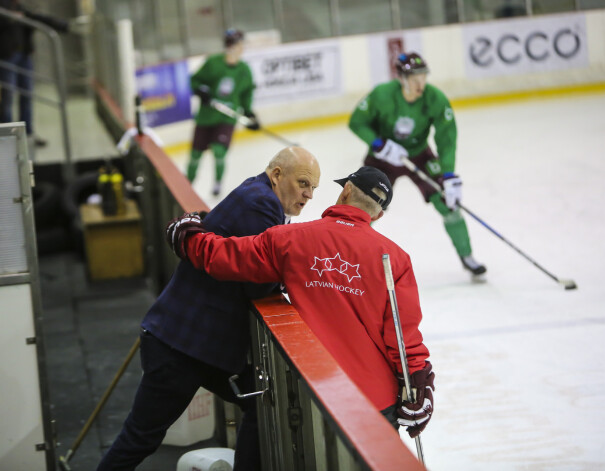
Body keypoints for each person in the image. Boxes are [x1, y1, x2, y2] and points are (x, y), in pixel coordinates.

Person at [96, 146, 320, 471]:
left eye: (313, 187)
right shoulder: (262, 205)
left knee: (260, 402)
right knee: (140, 438)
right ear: (277, 175)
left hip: (201, 347)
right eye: (303, 183)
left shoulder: (257, 192)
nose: (308, 194)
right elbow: (257, 282)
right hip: (180, 347)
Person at [169, 166, 435, 438]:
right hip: (376, 399)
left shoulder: (289, 240)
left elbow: (225, 257)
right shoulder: (395, 259)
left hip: (314, 393)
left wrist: (188, 236)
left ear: (345, 192)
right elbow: (403, 338)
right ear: (378, 214)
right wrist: (419, 380)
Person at [348, 51, 487, 276]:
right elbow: (357, 121)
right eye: (414, 78)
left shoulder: (435, 99)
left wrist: (449, 174)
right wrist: (378, 144)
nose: (420, 83)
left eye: (423, 76)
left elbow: (446, 137)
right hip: (383, 156)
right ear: (402, 78)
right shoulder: (382, 94)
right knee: (364, 204)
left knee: (448, 203)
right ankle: (348, 258)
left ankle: (467, 255)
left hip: (419, 155)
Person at [0, 0, 76, 147]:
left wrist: (59, 24)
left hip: (23, 53)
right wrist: (9, 19)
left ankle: (28, 134)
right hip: (4, 54)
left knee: (27, 94)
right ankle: (5, 135)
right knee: (8, 95)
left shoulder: (12, 2)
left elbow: (29, 17)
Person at [188, 28, 260, 196]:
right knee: (195, 154)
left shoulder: (244, 70)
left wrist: (249, 113)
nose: (239, 47)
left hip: (226, 117)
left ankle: (217, 183)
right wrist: (200, 91)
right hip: (206, 116)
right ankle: (187, 185)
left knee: (219, 151)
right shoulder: (213, 63)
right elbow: (195, 80)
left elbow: (246, 93)